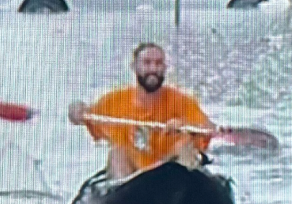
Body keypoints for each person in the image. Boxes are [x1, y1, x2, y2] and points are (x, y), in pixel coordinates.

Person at [68, 42, 219, 179]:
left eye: (158, 63)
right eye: (147, 63)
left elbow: (208, 127)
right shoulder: (114, 101)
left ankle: (181, 189)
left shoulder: (181, 101)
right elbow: (84, 115)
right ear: (134, 67)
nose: (153, 69)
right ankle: (124, 194)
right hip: (132, 173)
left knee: (185, 148)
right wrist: (77, 111)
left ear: (165, 68)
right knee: (117, 152)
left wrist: (186, 126)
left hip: (170, 168)